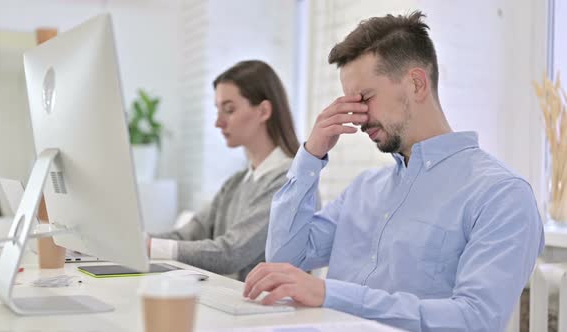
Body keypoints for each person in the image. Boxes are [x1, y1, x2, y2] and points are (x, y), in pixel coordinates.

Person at [243, 11, 544, 331]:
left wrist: (330, 294)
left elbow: (474, 320)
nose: (358, 117)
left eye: (366, 98)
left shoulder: (501, 194)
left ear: (416, 84)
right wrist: (311, 155)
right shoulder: (364, 189)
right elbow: (285, 258)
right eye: (350, 102)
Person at [148, 60, 300, 281]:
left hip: (267, 311)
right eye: (218, 110)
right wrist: (135, 241)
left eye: (229, 110)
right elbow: (188, 235)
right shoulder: (236, 183)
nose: (218, 122)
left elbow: (231, 253)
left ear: (264, 111)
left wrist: (150, 247)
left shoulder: (290, 182)